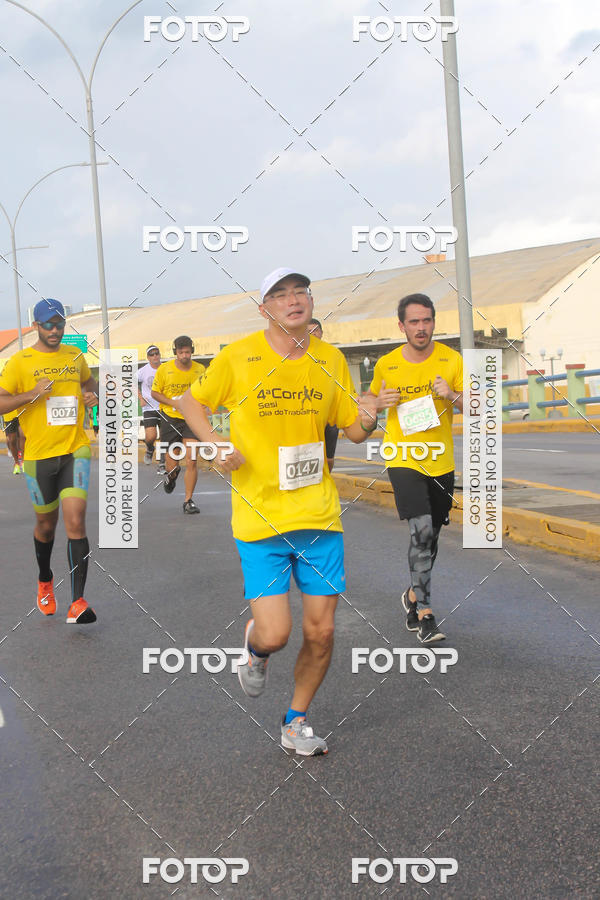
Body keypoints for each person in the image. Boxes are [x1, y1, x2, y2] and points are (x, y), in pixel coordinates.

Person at [179, 267, 378, 756]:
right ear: (264, 307)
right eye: (281, 294)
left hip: (318, 514)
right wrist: (215, 442)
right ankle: (255, 648)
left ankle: (296, 720)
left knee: (323, 630)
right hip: (259, 515)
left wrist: (372, 412)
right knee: (277, 633)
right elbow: (189, 401)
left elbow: (353, 430)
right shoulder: (238, 356)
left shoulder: (330, 359)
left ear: (310, 300)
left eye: (301, 292)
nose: (294, 301)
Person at [369, 293, 463, 644]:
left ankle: (411, 595)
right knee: (421, 530)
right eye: (414, 322)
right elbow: (366, 405)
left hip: (440, 459)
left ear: (434, 322)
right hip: (403, 456)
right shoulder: (387, 364)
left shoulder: (452, 360)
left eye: (426, 321)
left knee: (432, 535)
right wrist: (378, 402)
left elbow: (481, 404)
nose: (421, 328)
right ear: (401, 326)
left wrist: (451, 394)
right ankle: (425, 612)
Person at [0, 298, 98, 623]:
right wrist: (31, 395)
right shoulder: (20, 362)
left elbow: (89, 382)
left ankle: (78, 602)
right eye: (48, 324)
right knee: (46, 524)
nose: (55, 330)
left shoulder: (75, 355)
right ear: (36, 326)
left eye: (59, 324)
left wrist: (93, 394)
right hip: (38, 457)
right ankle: (45, 579)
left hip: (75, 450)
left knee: (76, 520)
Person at [151, 335, 205, 514]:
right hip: (170, 418)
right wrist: (174, 403)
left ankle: (188, 500)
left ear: (192, 352)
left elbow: (206, 391)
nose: (184, 356)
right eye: (181, 352)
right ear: (175, 352)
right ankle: (171, 476)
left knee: (192, 459)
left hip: (191, 418)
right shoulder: (165, 370)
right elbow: (155, 393)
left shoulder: (200, 370)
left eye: (187, 352)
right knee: (173, 464)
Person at [309, 318, 339, 470]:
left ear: (321, 332)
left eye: (315, 330)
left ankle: (328, 477)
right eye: (308, 331)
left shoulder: (332, 355)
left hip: (329, 414)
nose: (313, 334)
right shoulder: (298, 355)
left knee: (329, 456)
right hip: (307, 413)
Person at [137, 344, 166, 474]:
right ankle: (149, 449)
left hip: (165, 406)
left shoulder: (166, 368)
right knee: (151, 436)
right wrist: (140, 398)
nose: (155, 356)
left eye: (156, 353)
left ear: (159, 355)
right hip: (149, 407)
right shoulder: (143, 371)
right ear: (148, 357)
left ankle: (162, 464)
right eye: (151, 354)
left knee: (165, 437)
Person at [3, 408, 25, 473]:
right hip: (8, 414)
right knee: (12, 440)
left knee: (23, 436)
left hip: (21, 412)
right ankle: (17, 463)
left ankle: (23, 462)